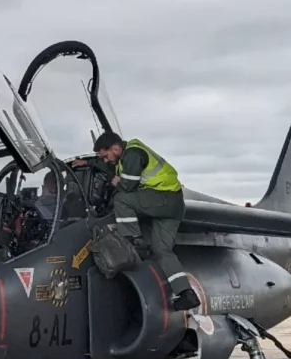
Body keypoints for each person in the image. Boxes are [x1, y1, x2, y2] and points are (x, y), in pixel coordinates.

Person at [74, 131, 200, 312]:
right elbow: (111, 169)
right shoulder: (124, 157)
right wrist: (87, 163)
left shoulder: (133, 154)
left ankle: (133, 241)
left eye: (107, 155)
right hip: (173, 205)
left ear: (116, 148)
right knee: (162, 251)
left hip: (163, 199)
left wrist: (118, 182)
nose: (107, 160)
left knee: (122, 199)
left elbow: (127, 187)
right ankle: (186, 293)